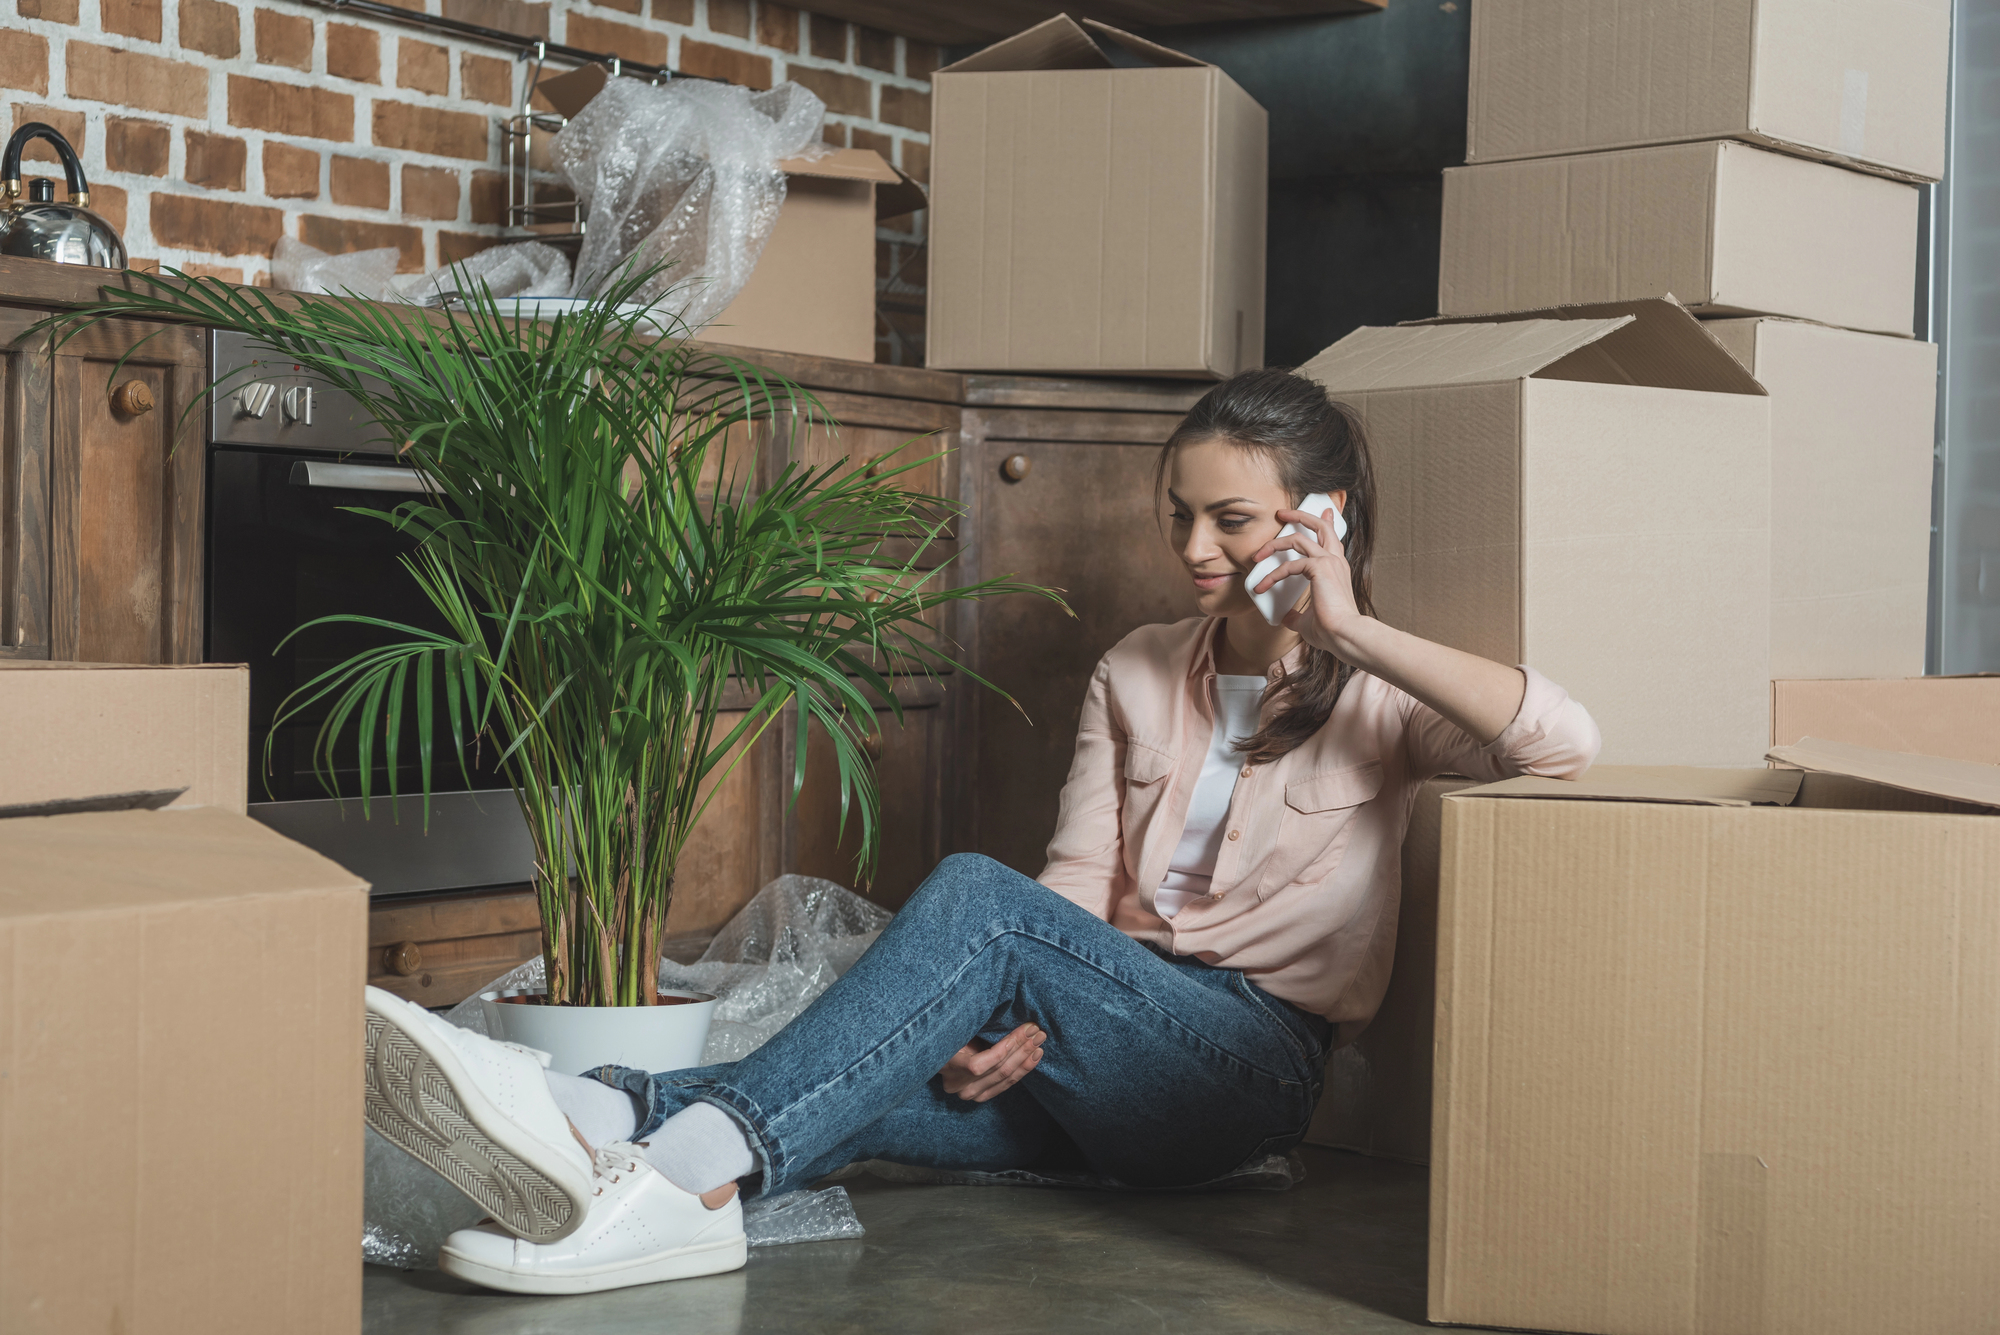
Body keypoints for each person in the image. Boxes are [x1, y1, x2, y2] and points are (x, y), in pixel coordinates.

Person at [362, 367, 1601, 1295]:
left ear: (1319, 518)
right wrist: (1005, 1023)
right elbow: (1069, 883)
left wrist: (1348, 627)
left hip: (1243, 1074)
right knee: (886, 1082)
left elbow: (1561, 744)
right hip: (1087, 1047)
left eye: (1231, 519)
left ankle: (688, 1169)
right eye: (1177, 515)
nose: (1191, 549)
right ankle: (593, 1112)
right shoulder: (1136, 668)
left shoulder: (1385, 700)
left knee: (966, 891)